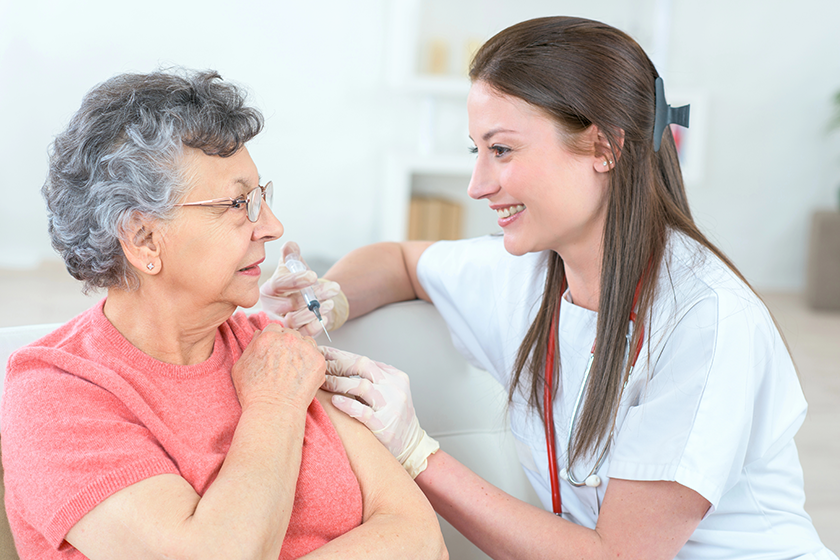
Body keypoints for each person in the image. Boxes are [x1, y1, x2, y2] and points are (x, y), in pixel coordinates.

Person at [260, 16, 838, 560]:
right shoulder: (525, 276)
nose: (478, 184)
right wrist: (327, 296)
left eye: (502, 149)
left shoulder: (707, 321)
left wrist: (417, 453)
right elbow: (399, 262)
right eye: (476, 150)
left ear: (604, 148)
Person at [1, 69, 447, 560]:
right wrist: (274, 407)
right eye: (239, 204)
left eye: (262, 198)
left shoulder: (273, 349)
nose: (272, 227)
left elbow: (420, 540)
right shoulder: (56, 393)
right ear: (143, 238)